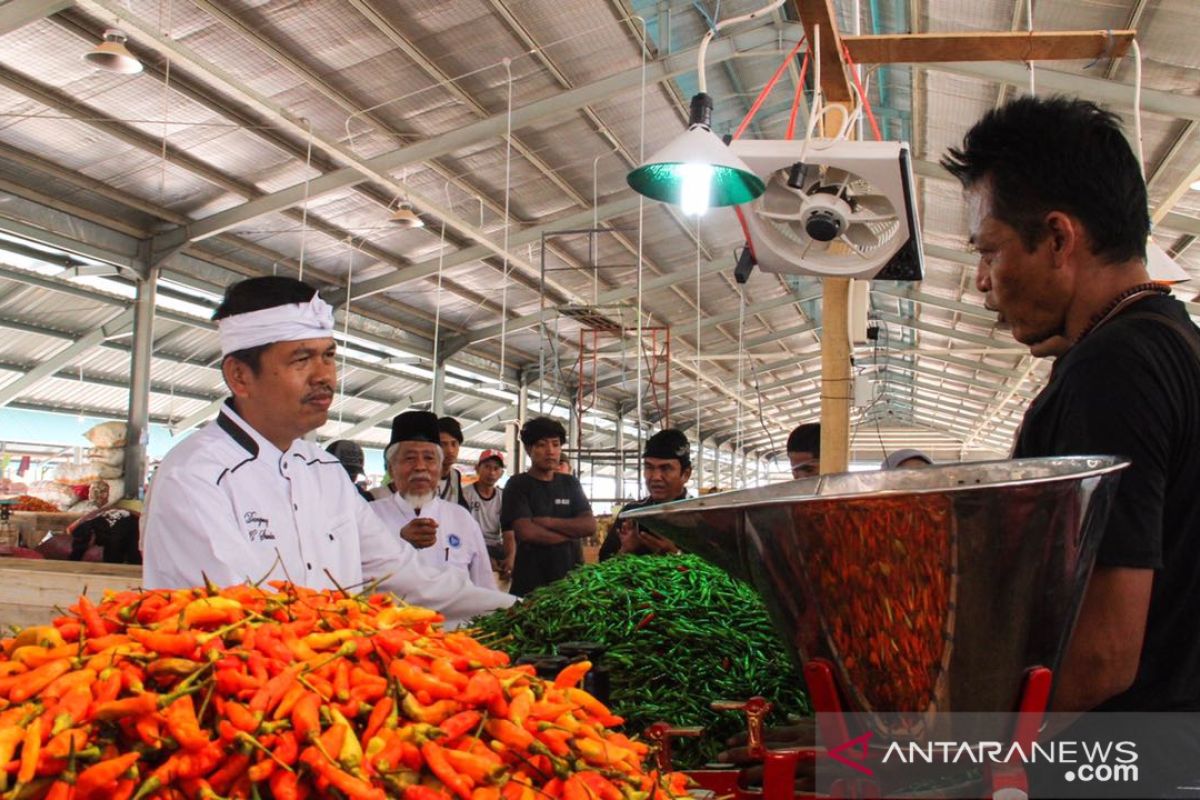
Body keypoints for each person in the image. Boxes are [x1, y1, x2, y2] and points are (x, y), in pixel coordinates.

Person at [943, 96, 1200, 792]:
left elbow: (1105, 651)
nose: (982, 282)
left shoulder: (1115, 367)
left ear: (1058, 238)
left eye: (989, 251)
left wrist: (965, 756)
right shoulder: (1176, 343)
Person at [141, 276, 514, 625]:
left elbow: (402, 574)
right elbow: (236, 617)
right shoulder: (195, 476)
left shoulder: (324, 469)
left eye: (329, 356)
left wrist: (519, 608)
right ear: (239, 375)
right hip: (246, 686)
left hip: (333, 679)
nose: (325, 376)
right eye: (301, 359)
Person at [369, 412, 495, 590]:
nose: (420, 467)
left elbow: (485, 586)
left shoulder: (461, 518)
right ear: (391, 468)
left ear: (440, 466)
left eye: (429, 458)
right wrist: (400, 541)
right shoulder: (368, 515)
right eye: (410, 458)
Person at [501, 416, 595, 596]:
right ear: (529, 449)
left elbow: (589, 526)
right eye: (542, 445)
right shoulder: (517, 485)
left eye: (556, 444)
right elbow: (527, 532)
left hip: (571, 582)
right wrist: (571, 535)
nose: (550, 451)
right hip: (530, 585)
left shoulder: (570, 483)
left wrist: (547, 522)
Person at [599, 428, 690, 560]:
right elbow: (602, 566)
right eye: (649, 467)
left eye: (665, 468)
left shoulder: (702, 518)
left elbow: (717, 575)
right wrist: (625, 550)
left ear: (686, 474)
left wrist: (676, 555)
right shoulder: (632, 514)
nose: (655, 477)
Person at [461, 449, 515, 585]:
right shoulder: (465, 495)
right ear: (477, 468)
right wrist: (484, 556)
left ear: (501, 473)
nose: (491, 473)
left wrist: (510, 557)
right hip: (471, 546)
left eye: (496, 468)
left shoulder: (503, 498)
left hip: (496, 546)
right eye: (487, 467)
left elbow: (508, 531)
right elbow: (463, 532)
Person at [436, 416, 470, 510]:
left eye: (454, 443)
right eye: (443, 444)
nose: (450, 450)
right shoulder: (425, 476)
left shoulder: (455, 475)